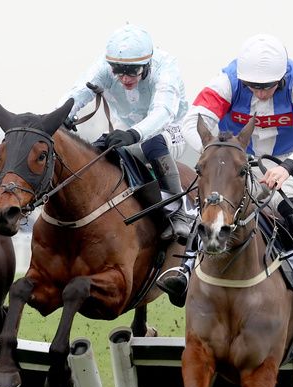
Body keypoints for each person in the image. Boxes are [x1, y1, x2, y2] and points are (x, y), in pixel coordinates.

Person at [156, 33, 293, 308]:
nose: (260, 93)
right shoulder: (228, 79)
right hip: (238, 158)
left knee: (285, 198)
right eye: (252, 86)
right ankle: (185, 268)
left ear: (282, 76)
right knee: (214, 199)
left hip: (286, 160)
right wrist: (218, 153)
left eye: (268, 87)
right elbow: (194, 121)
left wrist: (287, 167)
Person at [58, 24, 193, 243]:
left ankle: (179, 212)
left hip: (169, 128)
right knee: (95, 150)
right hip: (128, 130)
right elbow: (78, 92)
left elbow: (162, 112)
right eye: (118, 71)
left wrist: (133, 134)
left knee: (151, 143)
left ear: (147, 63)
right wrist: (61, 114)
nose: (124, 78)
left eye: (132, 71)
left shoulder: (165, 68)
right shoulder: (103, 66)